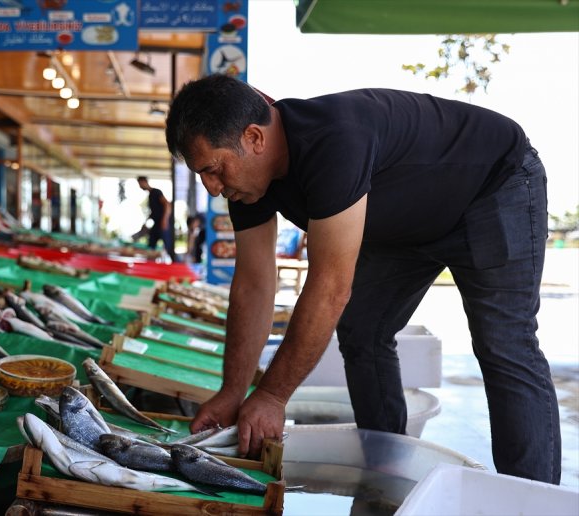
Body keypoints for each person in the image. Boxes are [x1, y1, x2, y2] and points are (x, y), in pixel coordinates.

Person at [164, 73, 561, 484]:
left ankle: (532, 496)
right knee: (362, 331)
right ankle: (388, 467)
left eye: (213, 169)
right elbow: (253, 285)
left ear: (254, 138)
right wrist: (233, 390)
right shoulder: (247, 183)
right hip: (409, 224)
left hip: (494, 185)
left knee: (503, 343)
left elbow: (331, 287)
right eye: (202, 175)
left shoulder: (334, 139)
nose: (212, 187)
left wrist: (271, 395)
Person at [136, 176, 177, 262]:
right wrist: (146, 222)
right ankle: (150, 264)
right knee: (151, 243)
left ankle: (174, 265)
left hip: (163, 223)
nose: (140, 186)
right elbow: (154, 212)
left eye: (140, 184)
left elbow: (167, 205)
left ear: (144, 182)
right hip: (157, 223)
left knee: (168, 246)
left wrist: (164, 220)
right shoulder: (150, 195)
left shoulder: (156, 192)